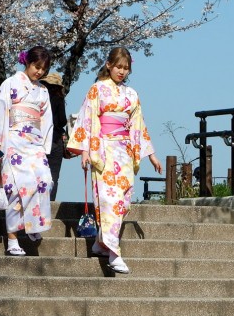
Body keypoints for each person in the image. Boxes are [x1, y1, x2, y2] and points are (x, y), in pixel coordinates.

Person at [66, 47, 162, 274]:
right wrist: (86, 151)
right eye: (118, 66)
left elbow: (139, 126)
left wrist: (151, 155)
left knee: (123, 201)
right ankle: (114, 252)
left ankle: (100, 244)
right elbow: (87, 119)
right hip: (104, 151)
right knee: (109, 200)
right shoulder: (96, 89)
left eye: (126, 68)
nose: (122, 71)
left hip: (125, 152)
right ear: (108, 65)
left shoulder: (132, 94)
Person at [0, 46, 54, 256]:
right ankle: (12, 239)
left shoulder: (43, 91)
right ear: (27, 63)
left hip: (34, 142)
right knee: (14, 187)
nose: (39, 72)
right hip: (13, 140)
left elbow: (46, 120)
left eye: (43, 69)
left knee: (43, 181)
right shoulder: (11, 83)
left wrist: (44, 145)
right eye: (36, 66)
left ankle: (33, 225)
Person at [40, 72, 68, 201]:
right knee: (53, 175)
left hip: (38, 139)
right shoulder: (58, 98)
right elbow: (62, 120)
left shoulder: (38, 97)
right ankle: (50, 203)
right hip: (54, 139)